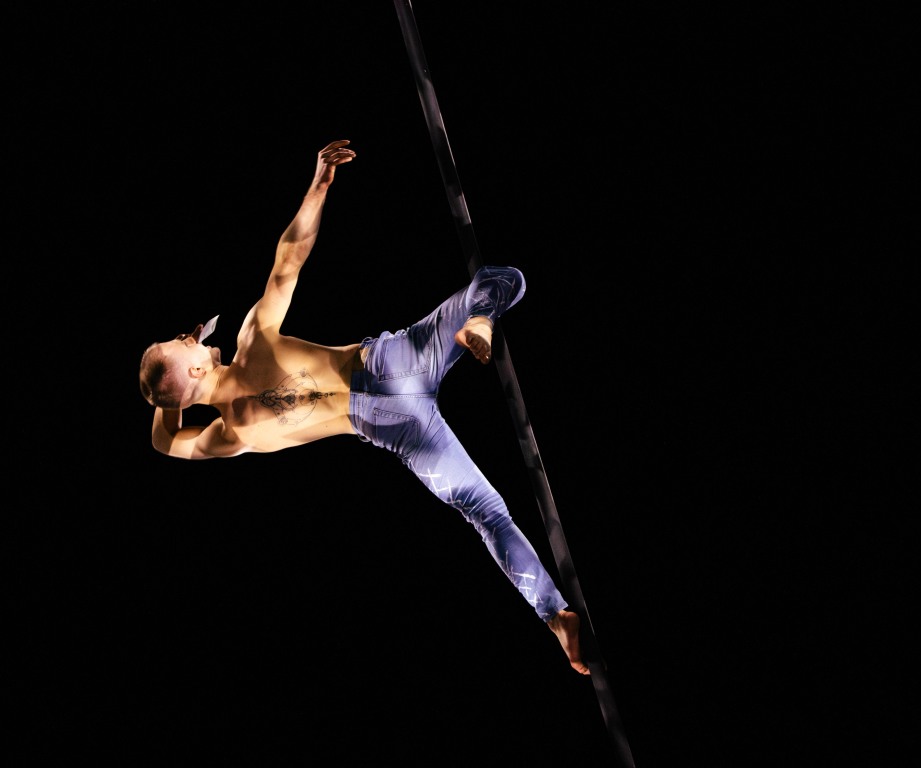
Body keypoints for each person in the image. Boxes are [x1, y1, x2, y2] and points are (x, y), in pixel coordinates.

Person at [139, 139, 589, 676]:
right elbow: (288, 260)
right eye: (182, 342)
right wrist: (319, 185)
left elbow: (163, 441)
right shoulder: (251, 339)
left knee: (486, 513)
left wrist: (164, 398)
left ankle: (556, 616)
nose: (189, 337)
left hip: (393, 426)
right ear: (192, 371)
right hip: (388, 366)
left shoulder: (229, 437)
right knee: (503, 280)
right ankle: (480, 320)